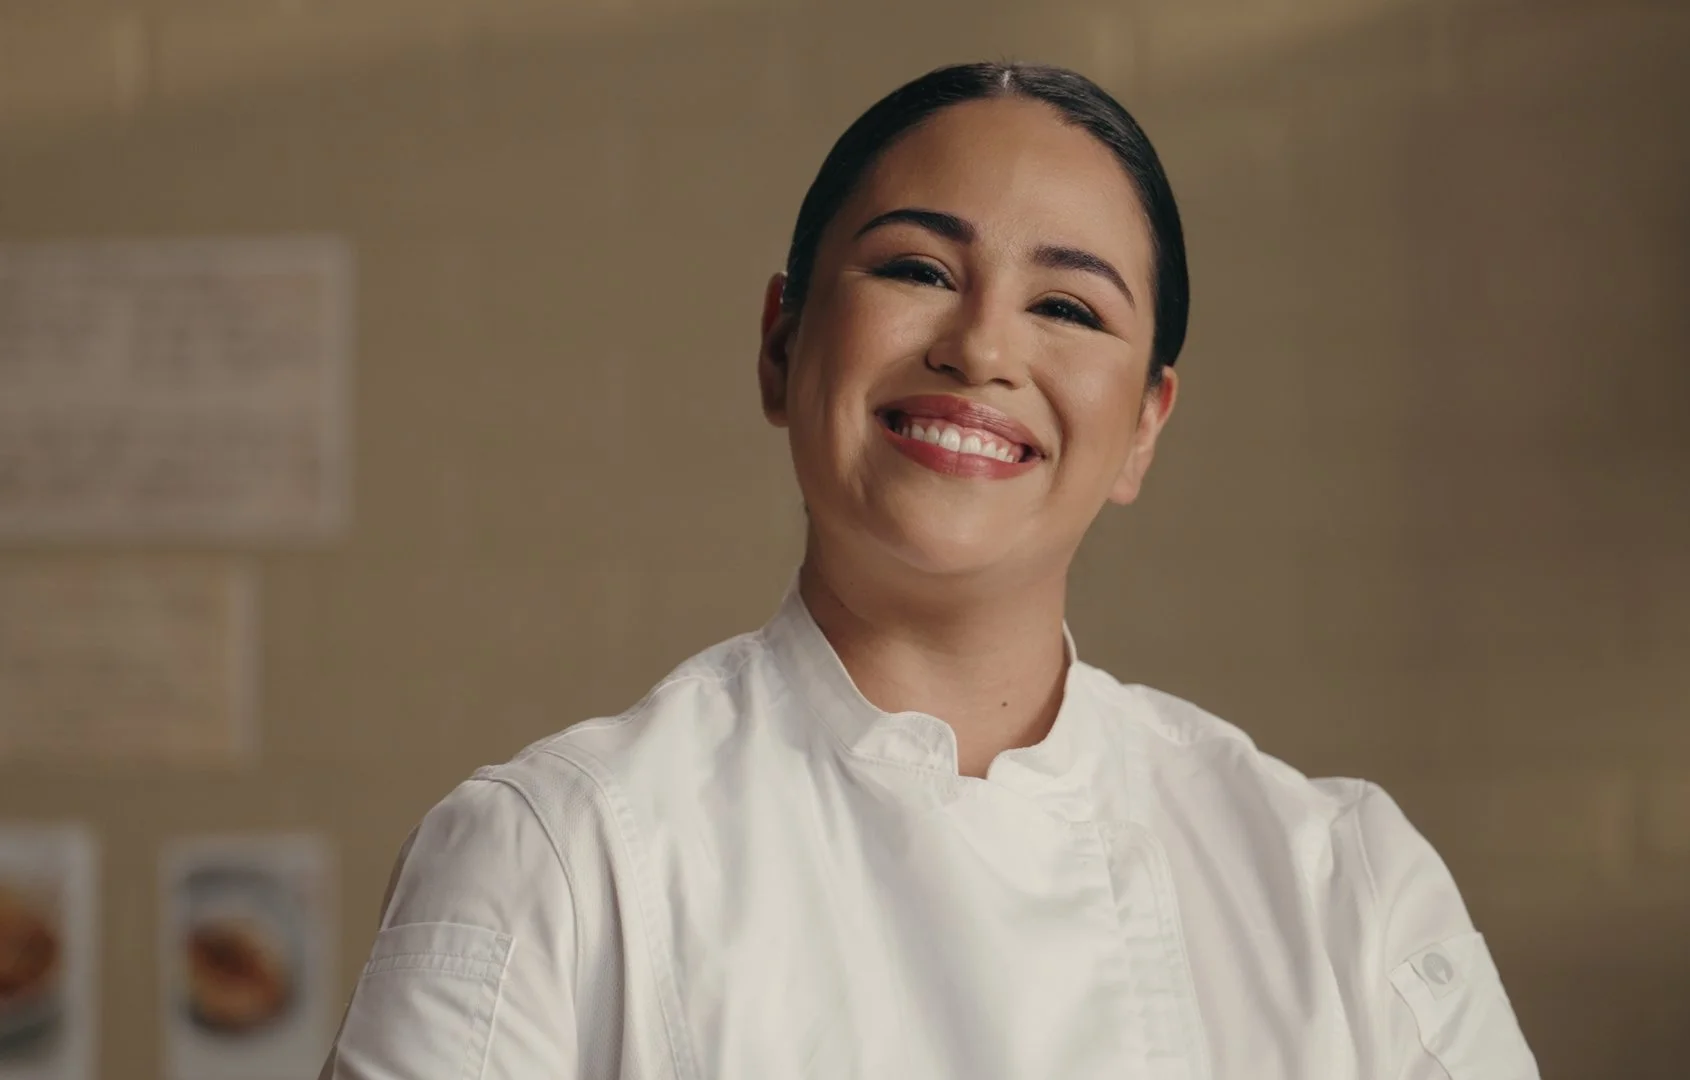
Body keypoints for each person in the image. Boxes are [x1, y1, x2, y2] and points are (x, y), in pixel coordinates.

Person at [319, 61, 1539, 1080]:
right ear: (781, 343)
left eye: (1069, 306)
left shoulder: (1341, 886)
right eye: (916, 271)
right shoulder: (557, 860)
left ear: (1146, 426)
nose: (982, 346)